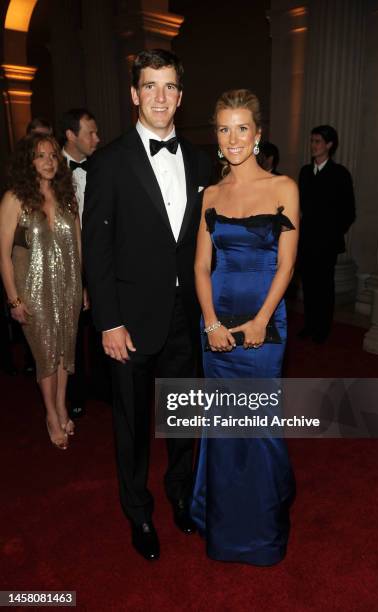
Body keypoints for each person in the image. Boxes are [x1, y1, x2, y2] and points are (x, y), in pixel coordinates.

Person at [82, 49, 212, 561]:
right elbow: (98, 247)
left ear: (180, 96)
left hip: (188, 317)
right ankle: (138, 510)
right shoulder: (109, 161)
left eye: (170, 86)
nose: (160, 96)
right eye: (150, 86)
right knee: (133, 425)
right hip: (130, 321)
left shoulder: (201, 159)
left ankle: (180, 493)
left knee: (184, 418)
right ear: (134, 94)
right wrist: (108, 321)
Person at [191, 89, 298, 566]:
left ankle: (263, 530)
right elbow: (199, 267)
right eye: (223, 129)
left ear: (257, 135)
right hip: (215, 327)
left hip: (264, 324)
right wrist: (211, 322)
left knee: (259, 426)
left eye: (241, 128)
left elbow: (287, 267)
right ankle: (226, 529)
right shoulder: (211, 195)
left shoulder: (283, 188)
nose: (232, 139)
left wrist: (259, 321)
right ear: (216, 137)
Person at [0, 134, 82, 449]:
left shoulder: (66, 196)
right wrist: (13, 299)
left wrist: (82, 286)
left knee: (65, 351)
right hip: (32, 291)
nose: (48, 161)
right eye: (40, 156)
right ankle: (50, 414)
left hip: (68, 287)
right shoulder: (14, 198)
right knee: (46, 353)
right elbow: (4, 254)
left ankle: (61, 405)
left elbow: (78, 244)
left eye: (52, 156)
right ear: (28, 162)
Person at [298, 125, 356, 343]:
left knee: (324, 287)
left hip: (327, 243)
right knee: (309, 286)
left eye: (318, 142)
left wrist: (330, 233)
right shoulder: (304, 172)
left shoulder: (340, 174)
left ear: (329, 145)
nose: (313, 146)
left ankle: (322, 329)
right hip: (306, 241)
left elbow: (349, 212)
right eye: (312, 141)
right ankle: (309, 325)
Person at [60, 108, 100, 418]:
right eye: (90, 133)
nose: (96, 139)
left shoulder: (101, 166)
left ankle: (102, 386)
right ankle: (73, 393)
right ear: (71, 135)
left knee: (103, 324)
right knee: (69, 334)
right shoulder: (49, 169)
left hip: (98, 258)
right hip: (63, 262)